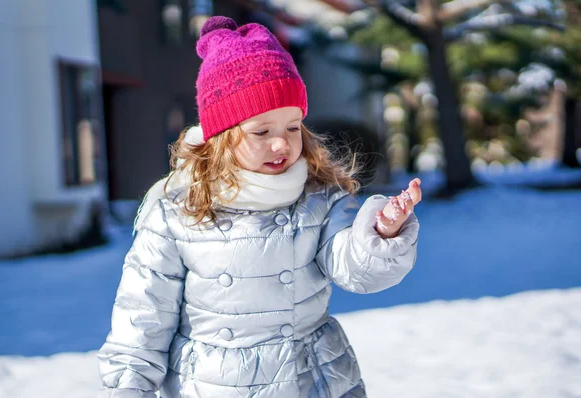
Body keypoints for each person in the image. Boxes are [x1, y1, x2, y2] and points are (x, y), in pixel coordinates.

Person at [97, 16, 421, 398]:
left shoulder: (318, 197)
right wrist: (128, 388)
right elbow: (143, 315)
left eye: (292, 127)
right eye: (262, 131)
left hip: (312, 382)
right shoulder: (177, 211)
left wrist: (379, 232)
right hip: (215, 386)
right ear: (221, 137)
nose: (281, 144)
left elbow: (352, 267)